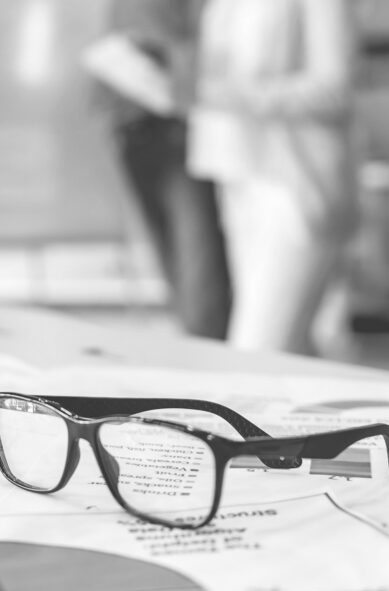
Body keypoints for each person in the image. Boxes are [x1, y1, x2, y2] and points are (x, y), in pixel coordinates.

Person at [189, 0, 358, 354]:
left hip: (295, 185)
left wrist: (216, 95)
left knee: (256, 350)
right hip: (238, 175)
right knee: (294, 351)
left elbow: (334, 90)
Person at [92, 0, 233, 340]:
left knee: (201, 279)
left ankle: (213, 374)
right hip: (134, 127)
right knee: (181, 272)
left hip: (179, 130)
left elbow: (200, 54)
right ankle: (202, 362)